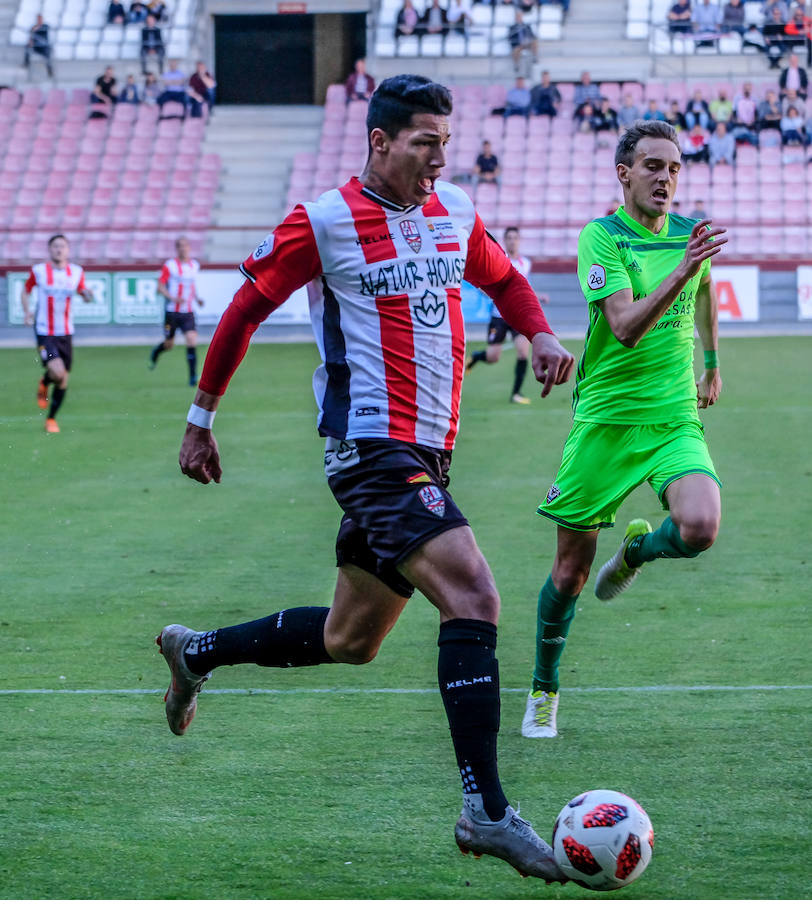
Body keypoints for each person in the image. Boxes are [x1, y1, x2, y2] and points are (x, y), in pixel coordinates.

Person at [158, 74, 575, 883]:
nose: (438, 159)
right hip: (370, 448)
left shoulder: (452, 210)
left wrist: (539, 333)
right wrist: (201, 419)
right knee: (475, 596)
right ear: (380, 142)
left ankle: (196, 653)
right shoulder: (323, 220)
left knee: (352, 640)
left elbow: (503, 278)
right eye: (425, 143)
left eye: (445, 144)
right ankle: (486, 811)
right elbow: (245, 309)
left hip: (429, 451)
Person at [520, 119, 726, 739]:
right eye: (654, 167)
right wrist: (682, 270)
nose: (666, 178)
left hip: (671, 418)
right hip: (605, 423)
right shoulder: (601, 238)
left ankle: (636, 550)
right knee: (569, 575)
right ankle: (543, 689)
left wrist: (712, 362)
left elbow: (708, 291)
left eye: (674, 168)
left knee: (701, 526)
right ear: (625, 174)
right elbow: (627, 325)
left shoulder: (692, 236)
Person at [465, 226, 549, 405]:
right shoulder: (499, 260)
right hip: (498, 316)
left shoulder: (525, 263)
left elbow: (524, 286)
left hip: (517, 315)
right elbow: (482, 284)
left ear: (519, 240)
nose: (512, 241)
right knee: (493, 357)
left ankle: (516, 393)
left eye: (515, 238)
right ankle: (475, 358)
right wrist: (489, 293)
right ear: (505, 240)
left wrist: (538, 296)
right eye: (509, 238)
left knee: (522, 352)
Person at [20, 235, 95, 434]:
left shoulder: (76, 272)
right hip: (45, 331)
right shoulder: (39, 271)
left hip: (66, 332)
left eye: (62, 246)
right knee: (58, 371)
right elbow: (25, 290)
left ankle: (51, 419)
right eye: (55, 246)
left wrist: (88, 295)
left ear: (68, 250)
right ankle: (45, 381)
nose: (59, 250)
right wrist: (27, 311)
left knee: (62, 380)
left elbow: (83, 293)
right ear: (49, 249)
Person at [149, 236, 205, 385]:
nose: (183, 248)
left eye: (185, 245)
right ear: (177, 248)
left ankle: (193, 377)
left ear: (189, 248)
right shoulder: (170, 266)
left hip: (188, 312)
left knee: (192, 339)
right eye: (180, 246)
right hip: (172, 313)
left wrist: (197, 299)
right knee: (169, 344)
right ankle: (157, 351)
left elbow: (192, 286)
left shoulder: (194, 266)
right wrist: (172, 298)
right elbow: (160, 287)